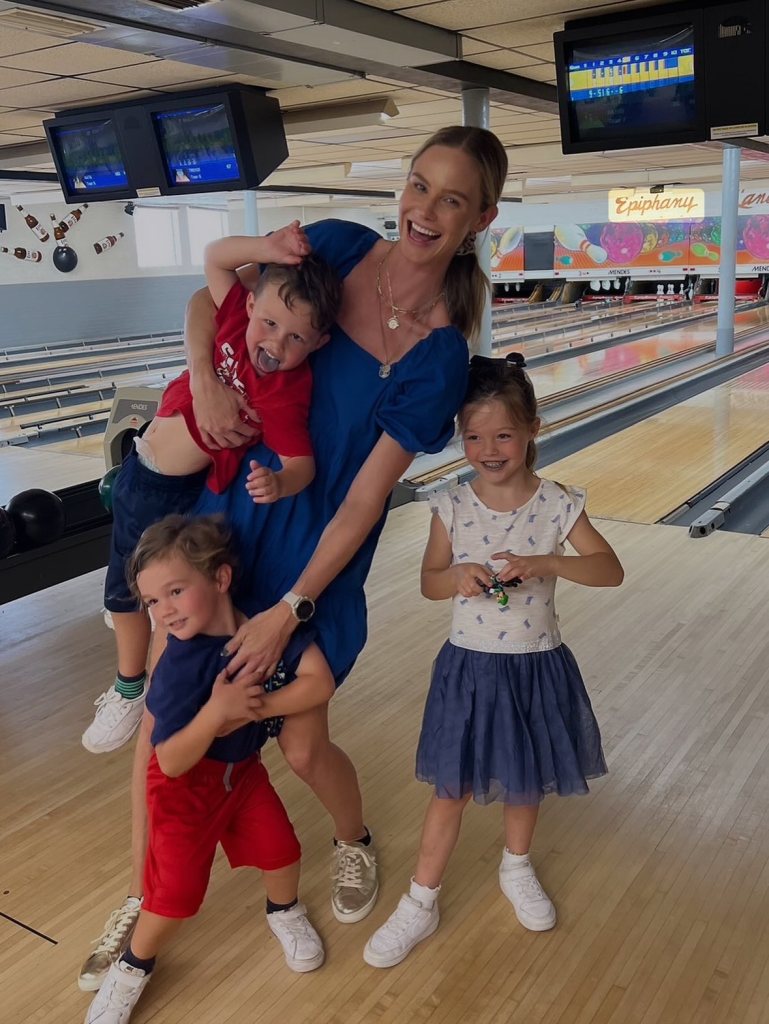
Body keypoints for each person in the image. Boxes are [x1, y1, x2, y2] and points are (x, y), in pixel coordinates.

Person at [78, 125, 509, 989]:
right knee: (164, 728)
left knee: (305, 748)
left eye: (449, 198)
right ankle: (141, 895)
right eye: (418, 184)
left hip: (313, 561)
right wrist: (203, 379)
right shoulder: (339, 248)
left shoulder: (440, 354)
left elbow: (361, 499)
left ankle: (352, 841)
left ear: (479, 217)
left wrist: (292, 609)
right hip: (222, 531)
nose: (423, 209)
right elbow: (217, 303)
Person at [363, 353, 624, 969]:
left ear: (534, 428)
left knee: (524, 777)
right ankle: (420, 902)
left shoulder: (559, 503)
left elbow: (609, 570)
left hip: (536, 665)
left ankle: (517, 866)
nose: (488, 448)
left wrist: (547, 562)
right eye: (474, 435)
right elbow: (429, 582)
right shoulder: (451, 505)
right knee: (449, 790)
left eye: (504, 433)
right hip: (468, 669)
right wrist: (455, 576)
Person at [81, 223, 341, 757]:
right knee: (130, 584)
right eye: (269, 323)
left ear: (320, 343)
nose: (275, 343)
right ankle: (131, 622)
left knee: (130, 586)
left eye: (295, 338)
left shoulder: (288, 392)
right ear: (249, 309)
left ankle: (130, 686)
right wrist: (266, 250)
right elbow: (216, 258)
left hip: (169, 491)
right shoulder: (229, 318)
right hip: (142, 470)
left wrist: (281, 481)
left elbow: (302, 463)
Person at [84, 515, 332, 1023]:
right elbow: (170, 759)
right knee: (172, 897)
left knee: (282, 850)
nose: (163, 612)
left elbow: (318, 683)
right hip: (182, 793)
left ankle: (284, 911)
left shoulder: (258, 632)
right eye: (152, 602)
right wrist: (219, 712)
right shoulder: (178, 666)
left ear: (219, 578)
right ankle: (131, 968)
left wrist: (252, 707)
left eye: (175, 591)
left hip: (241, 775)